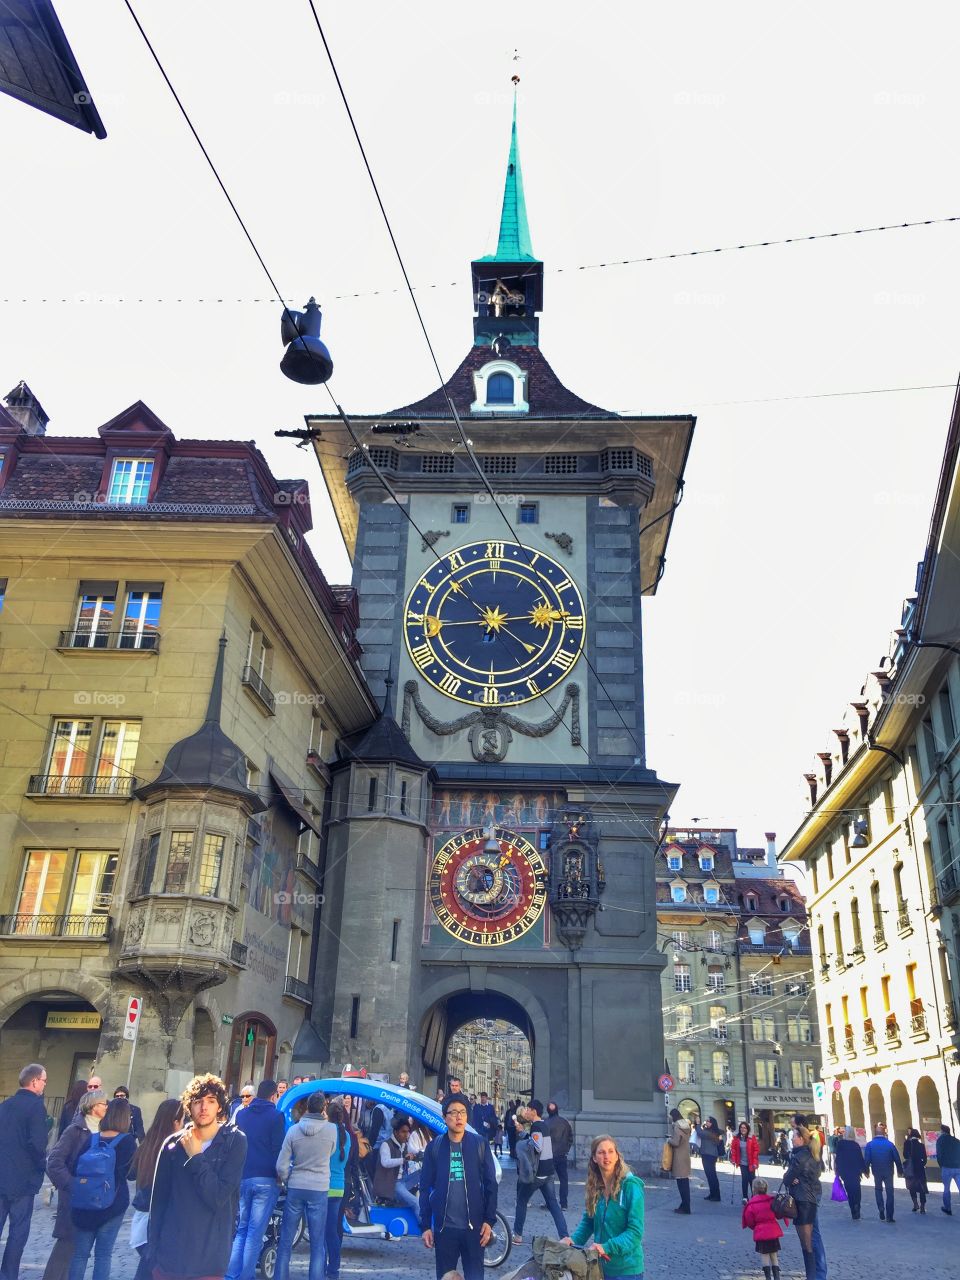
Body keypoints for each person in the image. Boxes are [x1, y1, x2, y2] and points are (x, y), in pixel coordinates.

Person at [148, 1074, 247, 1280]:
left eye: (211, 1101)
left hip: (209, 1257)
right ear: (189, 1107)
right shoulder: (172, 1145)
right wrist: (154, 1253)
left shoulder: (234, 1142)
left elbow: (219, 1196)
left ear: (219, 1106)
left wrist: (196, 1157)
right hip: (171, 1256)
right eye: (198, 1102)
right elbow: (158, 1202)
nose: (204, 1108)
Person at [419, 1095, 497, 1280]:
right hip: (445, 1229)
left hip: (474, 1229)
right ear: (445, 1117)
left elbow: (490, 1184)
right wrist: (425, 1225)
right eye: (453, 1113)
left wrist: (489, 1220)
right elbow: (424, 1187)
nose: (458, 1117)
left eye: (462, 1112)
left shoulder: (480, 1144)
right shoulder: (434, 1147)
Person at [67, 1097, 135, 1280]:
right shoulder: (127, 1141)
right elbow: (131, 1174)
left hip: (84, 1205)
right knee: (103, 1255)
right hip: (112, 1204)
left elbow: (74, 1168)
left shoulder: (92, 1138)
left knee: (80, 1255)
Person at [44, 1092, 108, 1280]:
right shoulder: (75, 1130)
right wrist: (72, 1185)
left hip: (93, 1199)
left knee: (80, 1249)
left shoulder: (103, 1129)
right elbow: (54, 1162)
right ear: (94, 1106)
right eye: (104, 1103)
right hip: (73, 1198)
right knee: (66, 1246)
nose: (107, 1107)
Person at [227, 1080, 286, 1280]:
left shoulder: (242, 1115)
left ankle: (231, 1274)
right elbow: (279, 1150)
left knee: (242, 1229)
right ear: (273, 1096)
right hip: (266, 1178)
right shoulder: (277, 1116)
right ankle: (246, 1276)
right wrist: (281, 1177)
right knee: (254, 1232)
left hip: (243, 1176)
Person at [563, 1134, 644, 1279]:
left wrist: (606, 1247)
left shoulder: (631, 1186)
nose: (607, 1156)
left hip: (627, 1270)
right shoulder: (596, 1187)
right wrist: (572, 1240)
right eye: (601, 1152)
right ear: (594, 1158)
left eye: (611, 1151)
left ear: (617, 1155)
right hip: (600, 1268)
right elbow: (588, 1222)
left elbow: (635, 1233)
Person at [275, 1092, 336, 1280]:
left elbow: (281, 1165)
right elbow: (332, 1152)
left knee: (285, 1241)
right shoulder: (332, 1129)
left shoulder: (294, 1130)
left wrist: (287, 1178)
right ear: (323, 1108)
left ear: (307, 1107)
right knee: (317, 1244)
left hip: (297, 1185)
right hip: (319, 1187)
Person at [0, 1062, 49, 1280]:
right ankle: (9, 1274)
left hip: (2, 1175)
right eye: (44, 1080)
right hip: (22, 1180)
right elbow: (37, 1143)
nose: (45, 1085)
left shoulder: (5, 1105)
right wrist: (41, 1164)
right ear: (34, 1081)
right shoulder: (36, 1106)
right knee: (18, 1232)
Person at [128, 1100, 184, 1280]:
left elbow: (132, 1174)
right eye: (182, 1120)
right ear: (175, 1122)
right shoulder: (172, 1149)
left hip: (141, 1217)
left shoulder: (148, 1144)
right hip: (157, 1220)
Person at [511, 1099, 568, 1244]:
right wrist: (525, 1133)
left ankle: (517, 1235)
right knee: (553, 1204)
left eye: (528, 1109)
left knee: (522, 1201)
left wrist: (523, 1138)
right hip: (549, 1171)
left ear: (534, 1111)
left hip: (538, 1172)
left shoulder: (536, 1126)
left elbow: (537, 1146)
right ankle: (565, 1236)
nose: (526, 1112)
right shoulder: (544, 1125)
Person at [784, 1127, 821, 1280]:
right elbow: (816, 1176)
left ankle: (811, 1276)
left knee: (806, 1244)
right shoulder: (813, 1155)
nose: (792, 1139)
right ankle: (812, 1275)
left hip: (801, 1199)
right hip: (811, 1200)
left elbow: (787, 1179)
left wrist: (792, 1179)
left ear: (802, 1139)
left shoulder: (799, 1156)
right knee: (809, 1242)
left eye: (794, 1137)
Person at [323, 1101, 352, 1280]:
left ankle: (324, 1265)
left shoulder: (326, 1131)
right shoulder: (346, 1135)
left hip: (324, 1186)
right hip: (339, 1186)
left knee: (322, 1230)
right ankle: (334, 1268)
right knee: (332, 1230)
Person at [742, 1177, 786, 1280]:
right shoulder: (771, 1200)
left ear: (754, 1189)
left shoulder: (751, 1204)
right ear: (766, 1188)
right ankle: (777, 1277)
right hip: (773, 1231)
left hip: (761, 1232)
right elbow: (778, 1214)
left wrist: (756, 1227)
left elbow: (749, 1221)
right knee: (774, 1255)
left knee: (764, 1255)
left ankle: (768, 1277)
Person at [373, 1116, 417, 1211]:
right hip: (394, 1184)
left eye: (408, 1132)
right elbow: (385, 1162)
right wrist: (403, 1159)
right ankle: (425, 1226)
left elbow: (413, 1153)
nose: (406, 1135)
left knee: (424, 1172)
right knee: (416, 1203)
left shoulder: (404, 1144)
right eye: (403, 1132)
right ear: (396, 1132)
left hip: (404, 1180)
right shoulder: (386, 1145)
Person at [864, 1121, 903, 1223]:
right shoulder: (890, 1145)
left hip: (876, 1171)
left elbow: (867, 1159)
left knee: (878, 1190)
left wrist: (866, 1170)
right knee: (890, 1193)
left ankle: (881, 1208)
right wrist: (900, 1170)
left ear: (875, 1134)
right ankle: (889, 1215)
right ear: (884, 1133)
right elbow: (897, 1158)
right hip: (889, 1171)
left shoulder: (870, 1145)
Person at [545, 1102, 573, 1211]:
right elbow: (570, 1138)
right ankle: (564, 1203)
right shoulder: (565, 1122)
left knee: (548, 1180)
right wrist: (566, 1150)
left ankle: (550, 1203)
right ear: (557, 1110)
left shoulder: (546, 1123)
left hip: (549, 1155)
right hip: (561, 1155)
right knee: (563, 1179)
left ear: (548, 1111)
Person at [834, 1125, 866, 1219]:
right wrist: (865, 1170)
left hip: (845, 1171)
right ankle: (857, 1207)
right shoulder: (855, 1145)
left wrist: (837, 1170)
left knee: (849, 1191)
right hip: (855, 1171)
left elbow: (838, 1158)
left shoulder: (840, 1144)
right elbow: (860, 1159)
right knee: (857, 1190)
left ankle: (853, 1210)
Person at [667, 1107, 692, 1214]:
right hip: (685, 1155)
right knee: (685, 1181)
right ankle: (685, 1205)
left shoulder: (677, 1126)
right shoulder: (686, 1125)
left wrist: (669, 1140)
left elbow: (676, 1142)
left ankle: (685, 1207)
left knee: (681, 1184)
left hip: (678, 1157)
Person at [731, 1121, 760, 1203]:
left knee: (752, 1180)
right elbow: (734, 1149)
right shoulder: (736, 1139)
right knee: (744, 1179)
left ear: (747, 1129)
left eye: (744, 1128)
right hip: (742, 1162)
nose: (743, 1129)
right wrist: (734, 1159)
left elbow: (756, 1150)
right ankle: (745, 1197)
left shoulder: (751, 1138)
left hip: (751, 1163)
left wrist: (755, 1162)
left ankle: (754, 1196)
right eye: (741, 1128)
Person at [935, 1123, 960, 1214]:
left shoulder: (940, 1140)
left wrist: (941, 1164)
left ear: (942, 1131)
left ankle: (948, 1208)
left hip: (946, 1167)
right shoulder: (956, 1140)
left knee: (946, 1188)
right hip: (958, 1167)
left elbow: (939, 1154)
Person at [902, 1128, 928, 1213]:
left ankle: (915, 1204)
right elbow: (925, 1158)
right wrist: (922, 1164)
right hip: (920, 1168)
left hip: (910, 1168)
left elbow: (905, 1155)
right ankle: (923, 1207)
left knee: (911, 1187)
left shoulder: (907, 1143)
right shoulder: (921, 1145)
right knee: (922, 1188)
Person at [699, 1116, 724, 1201]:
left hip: (709, 1155)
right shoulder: (712, 1131)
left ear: (712, 1123)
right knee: (710, 1176)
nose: (706, 1122)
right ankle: (713, 1194)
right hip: (708, 1154)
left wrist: (697, 1124)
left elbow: (700, 1133)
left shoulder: (710, 1132)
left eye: (708, 1121)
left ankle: (716, 1195)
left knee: (711, 1175)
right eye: (706, 1121)